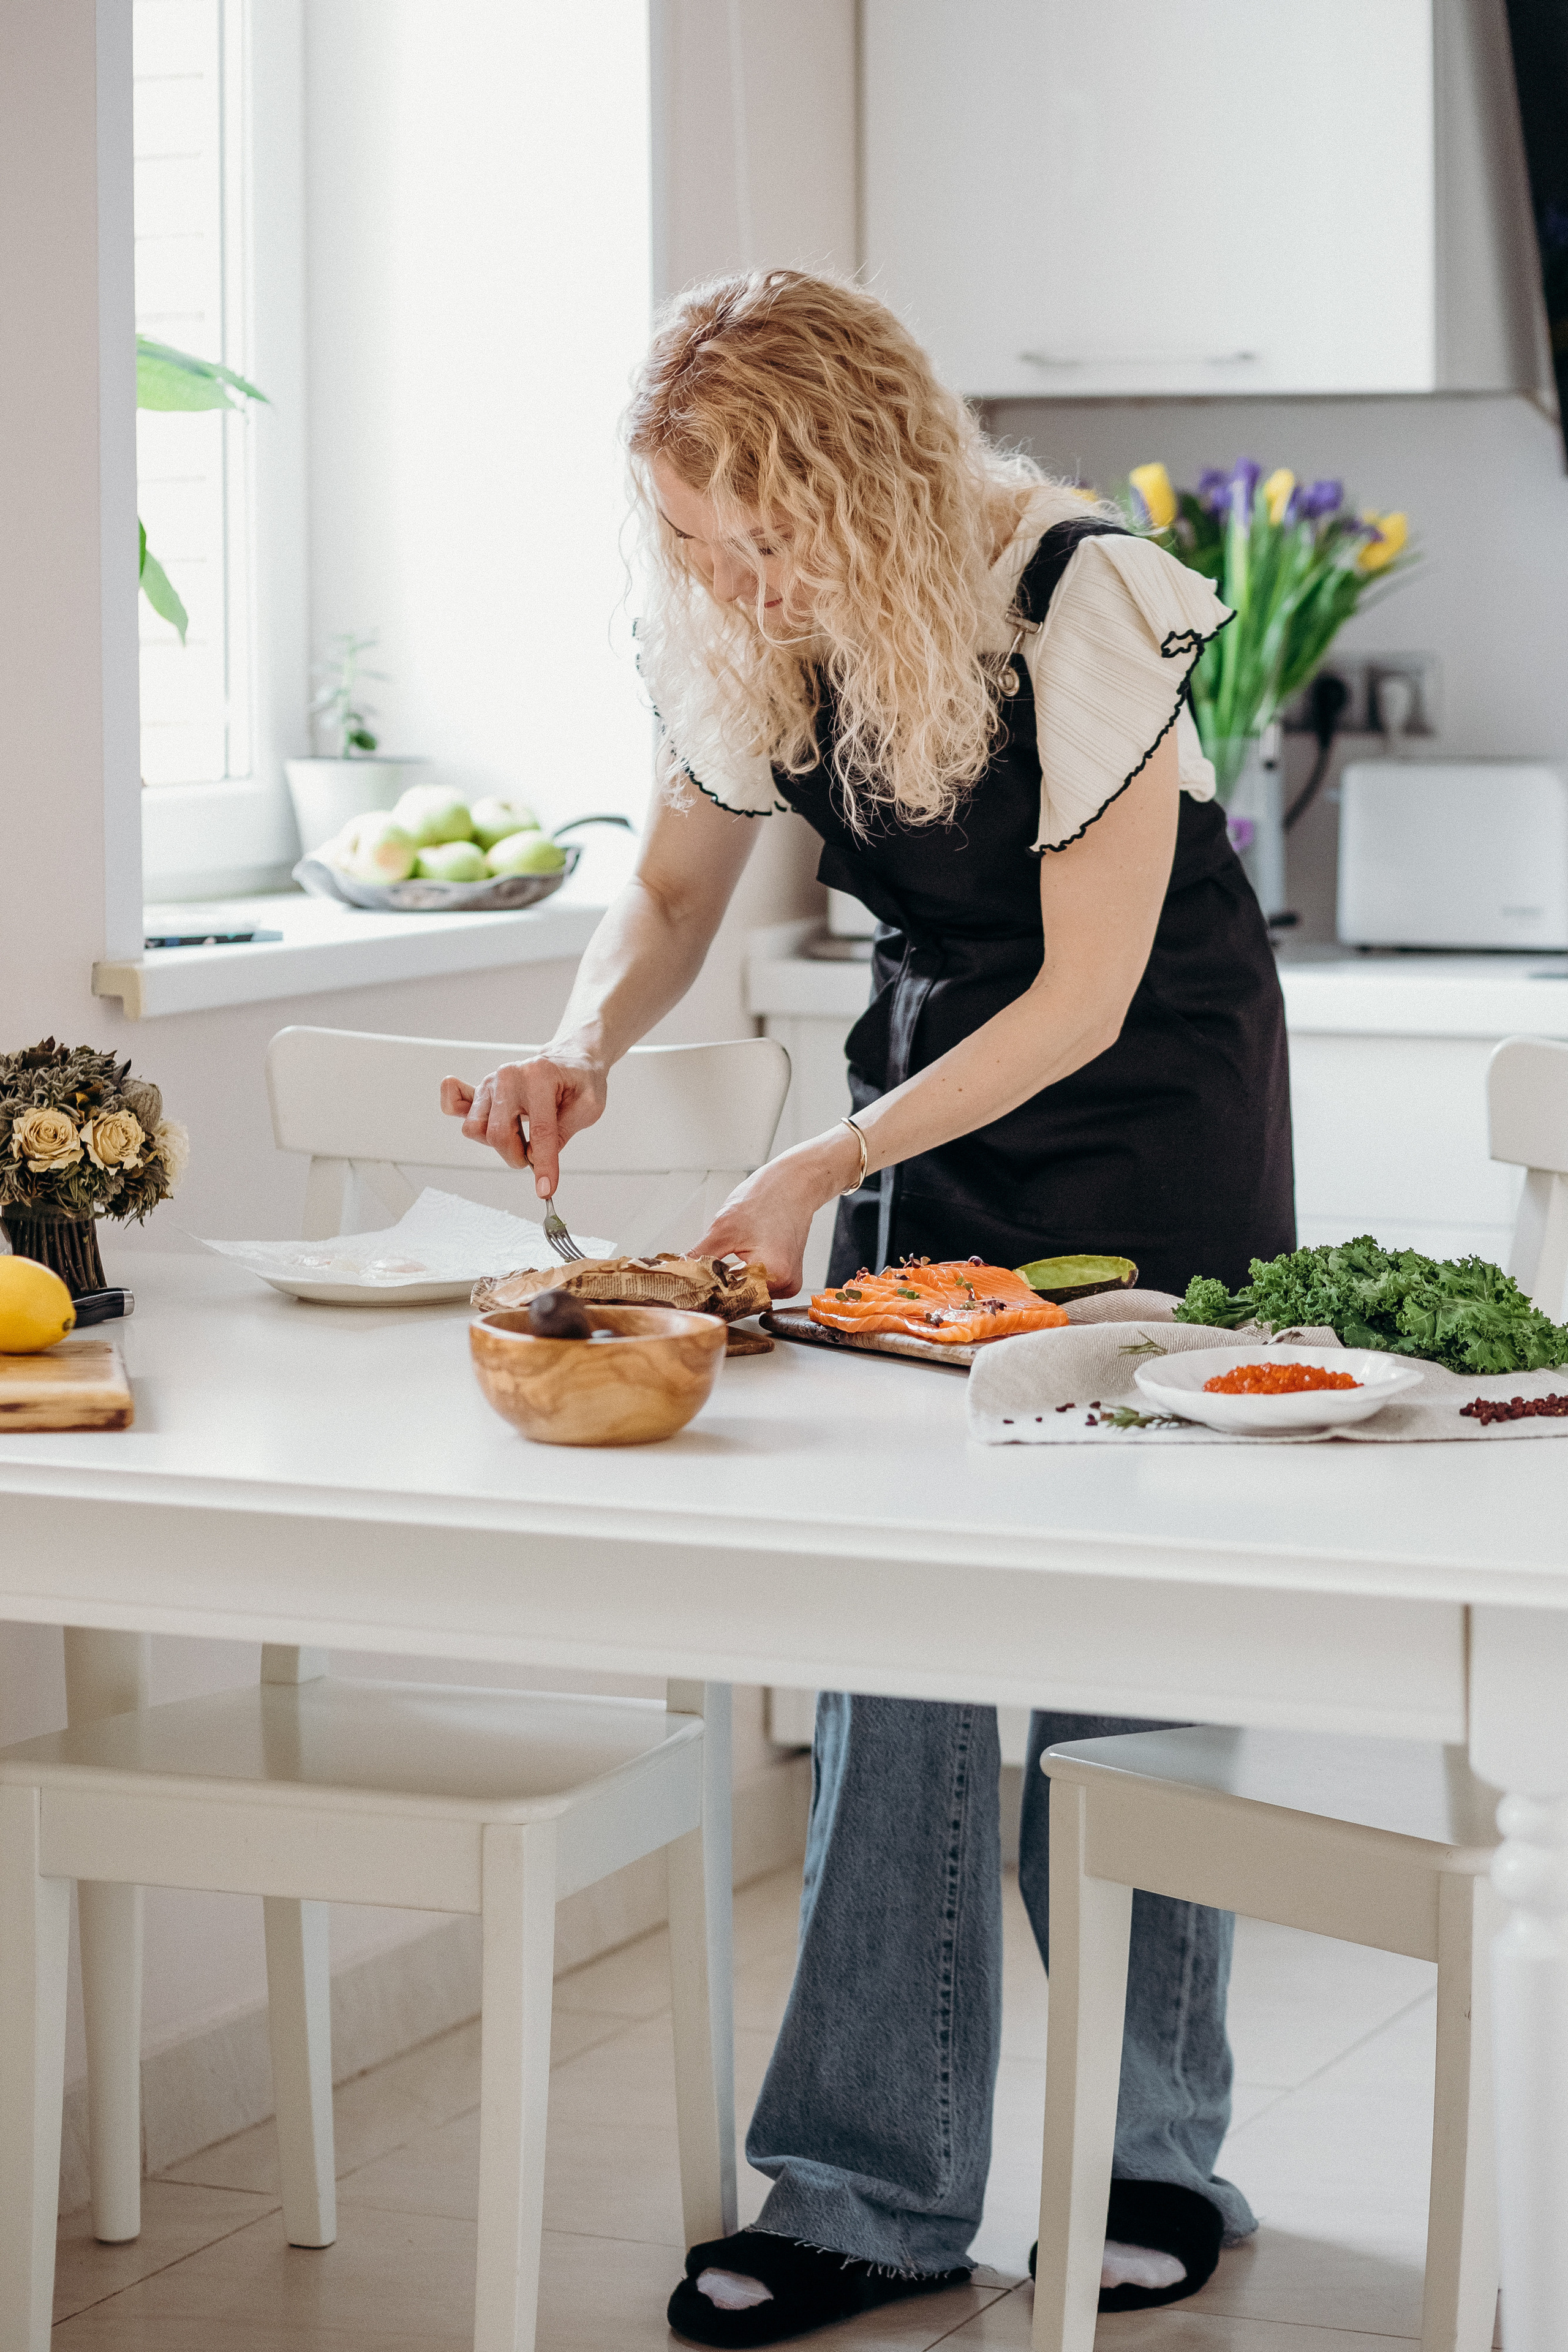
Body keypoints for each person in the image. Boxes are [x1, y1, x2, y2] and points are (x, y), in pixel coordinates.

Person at [441, 270, 1294, 2346]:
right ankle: (865, 2192)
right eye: (700, 539)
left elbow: (1086, 994)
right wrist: (586, 1044)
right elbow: (664, 895)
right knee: (898, 1633)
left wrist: (816, 1162)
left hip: (1149, 1107)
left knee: (1118, 1656)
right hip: (935, 1097)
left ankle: (1152, 2155)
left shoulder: (1079, 595)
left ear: (872, 471)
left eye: (768, 529)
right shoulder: (739, 625)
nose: (740, 573)